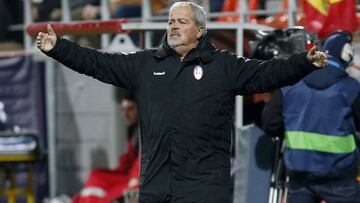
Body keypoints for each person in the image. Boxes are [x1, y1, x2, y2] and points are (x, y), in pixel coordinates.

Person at [36, 2, 327, 202]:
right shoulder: (145, 65)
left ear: (199, 31)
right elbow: (98, 63)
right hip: (156, 189)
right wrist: (58, 48)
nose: (173, 27)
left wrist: (305, 62)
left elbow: (269, 73)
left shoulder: (224, 67)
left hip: (205, 191)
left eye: (182, 22)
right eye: (171, 21)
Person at [262, 31, 360, 203]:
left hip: (299, 177)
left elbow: (270, 123)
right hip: (340, 178)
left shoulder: (290, 83)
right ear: (346, 55)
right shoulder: (351, 87)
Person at [72, 93, 140, 203]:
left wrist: (134, 179)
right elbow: (128, 162)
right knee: (96, 176)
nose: (125, 114)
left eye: (130, 109)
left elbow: (142, 160)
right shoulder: (133, 131)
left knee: (107, 198)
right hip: (128, 176)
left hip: (138, 181)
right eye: (123, 109)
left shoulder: (145, 132)